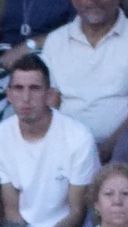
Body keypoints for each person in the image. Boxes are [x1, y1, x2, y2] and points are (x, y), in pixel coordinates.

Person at [0, 56, 98, 227]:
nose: (26, 98)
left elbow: (77, 211)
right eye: (18, 88)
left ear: (49, 94)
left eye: (34, 88)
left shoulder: (78, 137)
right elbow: (11, 208)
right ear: (8, 94)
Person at [38, 0, 128, 158]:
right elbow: (51, 102)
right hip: (67, 148)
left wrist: (110, 146)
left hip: (121, 149)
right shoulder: (56, 41)